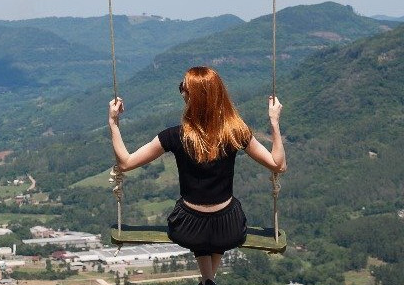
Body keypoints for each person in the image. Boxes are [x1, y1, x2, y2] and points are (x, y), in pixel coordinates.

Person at [108, 65, 286, 285]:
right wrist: (274, 122)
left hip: (187, 228)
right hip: (228, 229)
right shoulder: (235, 132)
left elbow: (125, 163)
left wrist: (113, 123)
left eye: (183, 87)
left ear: (191, 97)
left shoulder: (174, 136)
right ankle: (208, 280)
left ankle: (207, 280)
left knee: (196, 221)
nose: (180, 89)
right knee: (224, 216)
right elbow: (278, 165)